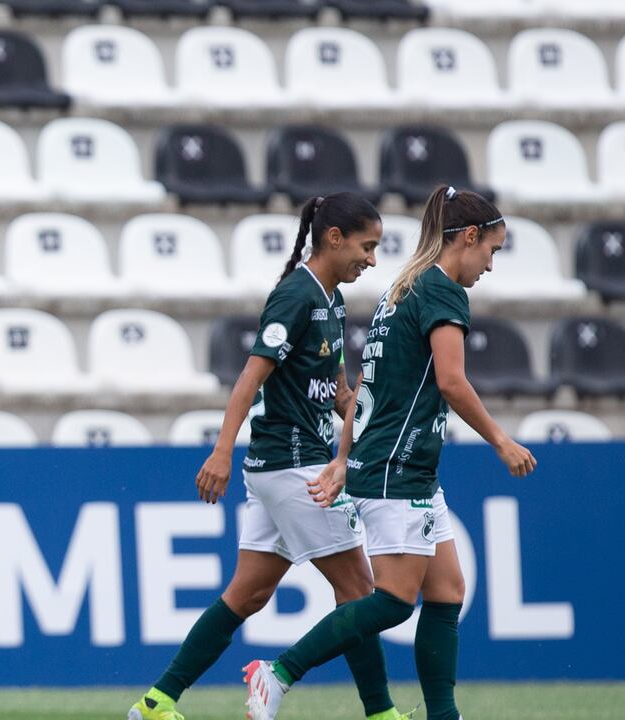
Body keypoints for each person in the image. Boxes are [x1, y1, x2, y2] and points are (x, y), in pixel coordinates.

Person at [243, 186, 538, 720]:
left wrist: (340, 459)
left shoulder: (403, 290)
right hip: (396, 469)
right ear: (468, 238)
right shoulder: (444, 292)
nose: (490, 266)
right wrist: (501, 439)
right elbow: (451, 382)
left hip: (402, 466)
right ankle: (279, 671)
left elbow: (369, 391)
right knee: (395, 601)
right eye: (492, 251)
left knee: (448, 591)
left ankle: (442, 714)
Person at [127, 193, 410, 720]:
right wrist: (220, 451)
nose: (372, 259)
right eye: (367, 246)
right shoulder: (295, 296)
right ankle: (381, 714)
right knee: (359, 589)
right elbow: (250, 377)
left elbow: (340, 393)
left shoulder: (332, 300)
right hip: (292, 466)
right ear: (334, 238)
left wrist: (373, 425)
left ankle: (155, 702)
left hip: (288, 466)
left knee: (248, 594)